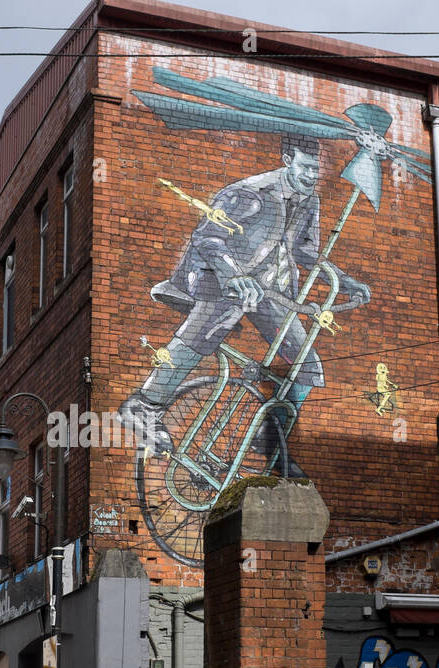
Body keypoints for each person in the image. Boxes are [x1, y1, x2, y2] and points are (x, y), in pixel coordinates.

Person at [120, 134, 370, 477]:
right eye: (306, 168)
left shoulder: (309, 200)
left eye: (318, 170)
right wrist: (234, 275)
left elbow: (305, 251)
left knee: (306, 365)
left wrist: (343, 280)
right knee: (209, 326)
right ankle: (144, 405)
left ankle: (269, 437)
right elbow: (207, 238)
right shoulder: (249, 194)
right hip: (220, 277)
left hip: (269, 289)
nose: (313, 177)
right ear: (287, 159)